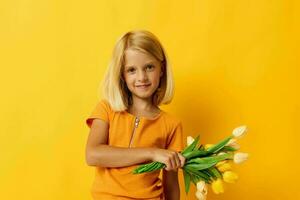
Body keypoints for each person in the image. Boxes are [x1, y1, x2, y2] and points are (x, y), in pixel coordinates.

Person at [85, 30, 186, 200]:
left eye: (149, 67)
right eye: (131, 70)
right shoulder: (106, 109)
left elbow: (171, 185)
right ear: (122, 75)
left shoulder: (171, 125)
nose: (142, 77)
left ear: (161, 69)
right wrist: (152, 153)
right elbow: (93, 155)